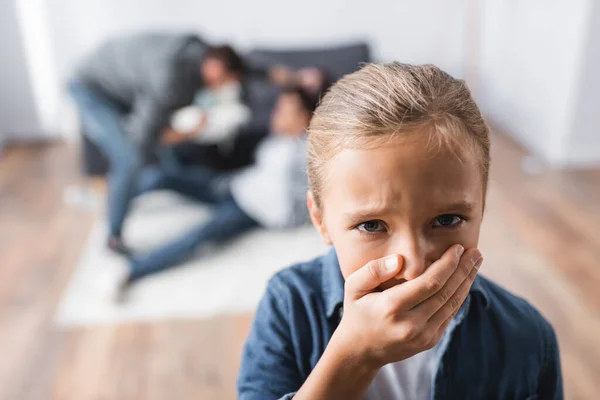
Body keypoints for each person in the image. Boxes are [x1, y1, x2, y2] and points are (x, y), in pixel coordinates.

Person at [237, 63, 563, 399]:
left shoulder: (527, 337)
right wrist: (355, 356)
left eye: (447, 220)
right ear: (320, 220)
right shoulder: (289, 308)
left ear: (481, 208)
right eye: (372, 225)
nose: (414, 266)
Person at [117, 86, 318, 297]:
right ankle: (120, 202)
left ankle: (134, 269)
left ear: (303, 117)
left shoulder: (306, 151)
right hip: (233, 185)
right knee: (162, 176)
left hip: (249, 209)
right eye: (278, 108)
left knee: (198, 235)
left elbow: (310, 196)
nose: (277, 114)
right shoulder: (275, 141)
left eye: (284, 110)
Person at [69, 33, 209, 254]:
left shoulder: (196, 55)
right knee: (129, 157)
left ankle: (151, 188)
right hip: (90, 86)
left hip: (119, 85)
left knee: (152, 151)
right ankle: (113, 236)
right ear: (215, 66)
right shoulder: (170, 76)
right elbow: (145, 136)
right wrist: (180, 134)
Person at [163, 45, 251, 151]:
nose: (215, 86)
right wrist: (192, 131)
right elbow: (161, 136)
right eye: (208, 80)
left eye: (219, 80)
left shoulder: (240, 107)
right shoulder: (180, 86)